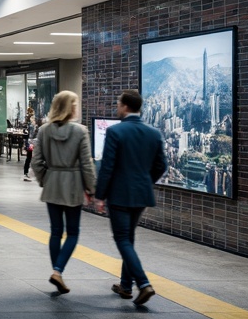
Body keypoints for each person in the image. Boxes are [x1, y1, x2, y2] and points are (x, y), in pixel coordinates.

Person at [95, 89, 166, 305]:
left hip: (119, 195)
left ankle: (143, 284)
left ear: (125, 106)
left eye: (118, 104)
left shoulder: (116, 132)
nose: (117, 108)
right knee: (129, 238)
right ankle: (126, 286)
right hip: (141, 195)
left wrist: (100, 195)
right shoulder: (154, 133)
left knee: (122, 239)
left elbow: (107, 167)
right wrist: (145, 182)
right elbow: (161, 165)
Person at [31, 91, 95, 294]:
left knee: (55, 231)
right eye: (75, 104)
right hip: (73, 184)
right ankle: (58, 271)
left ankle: (56, 272)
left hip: (53, 182)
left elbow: (36, 161)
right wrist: (91, 188)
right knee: (73, 232)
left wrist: (45, 180)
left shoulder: (44, 130)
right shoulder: (80, 131)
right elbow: (86, 163)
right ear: (70, 107)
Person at [23, 111, 40, 182]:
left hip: (33, 144)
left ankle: (28, 173)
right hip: (31, 145)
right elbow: (30, 136)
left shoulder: (36, 128)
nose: (32, 121)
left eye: (33, 120)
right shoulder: (31, 127)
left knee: (30, 158)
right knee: (29, 158)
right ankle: (26, 173)